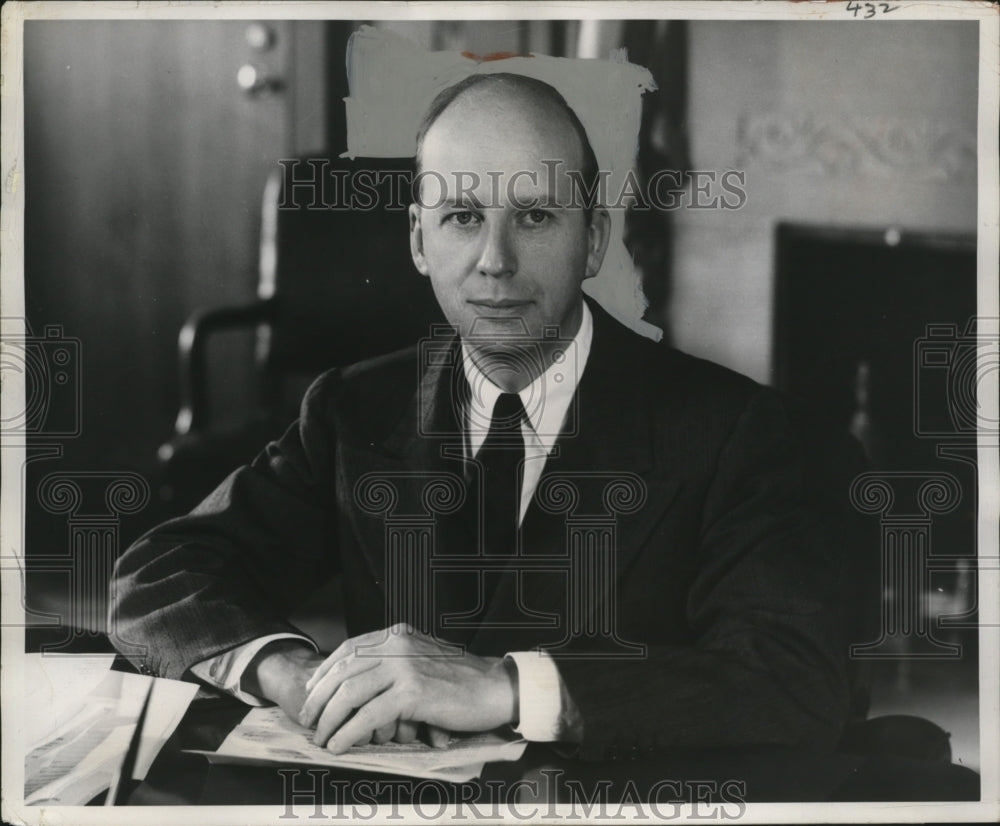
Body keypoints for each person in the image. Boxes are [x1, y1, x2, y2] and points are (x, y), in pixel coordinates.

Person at [109, 73, 850, 762]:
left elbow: (799, 680)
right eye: (462, 216)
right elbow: (160, 576)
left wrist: (506, 686)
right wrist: (292, 671)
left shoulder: (740, 430)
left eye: (534, 216)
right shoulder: (352, 409)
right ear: (417, 242)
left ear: (592, 239)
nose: (495, 260)